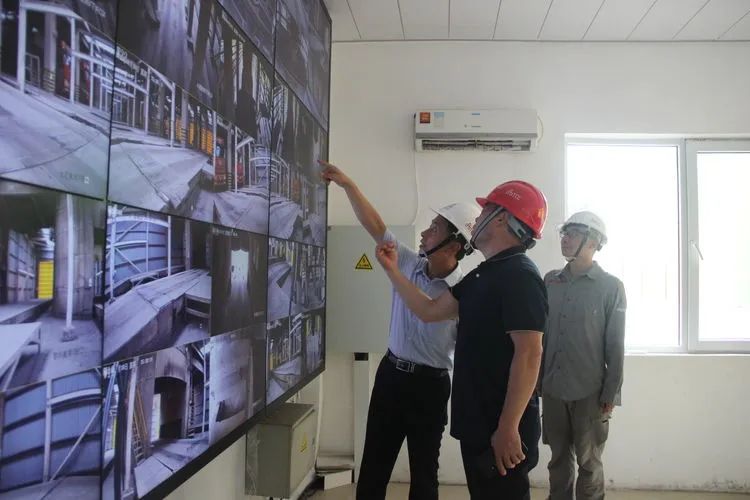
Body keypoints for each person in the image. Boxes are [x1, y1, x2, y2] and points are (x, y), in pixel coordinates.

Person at [375, 180, 549, 500]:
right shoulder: (483, 274)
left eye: (483, 212)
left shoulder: (520, 275)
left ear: (500, 218)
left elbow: (529, 354)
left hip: (501, 432)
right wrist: (393, 271)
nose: (476, 220)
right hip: (479, 426)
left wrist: (508, 427)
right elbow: (429, 311)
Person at [319, 160, 481, 500]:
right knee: (373, 468)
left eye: (434, 228)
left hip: (431, 386)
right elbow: (376, 226)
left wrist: (392, 271)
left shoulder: (463, 291)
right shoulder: (409, 262)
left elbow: (431, 314)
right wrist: (349, 185)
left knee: (424, 475)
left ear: (454, 245)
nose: (424, 233)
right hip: (391, 376)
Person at [539, 211, 626, 500]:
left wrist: (611, 393)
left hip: (591, 392)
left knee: (589, 463)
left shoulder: (610, 287)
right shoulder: (550, 281)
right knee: (558, 460)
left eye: (573, 234)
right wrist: (536, 382)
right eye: (564, 233)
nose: (565, 239)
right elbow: (541, 336)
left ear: (593, 242)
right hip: (553, 388)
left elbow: (615, 344)